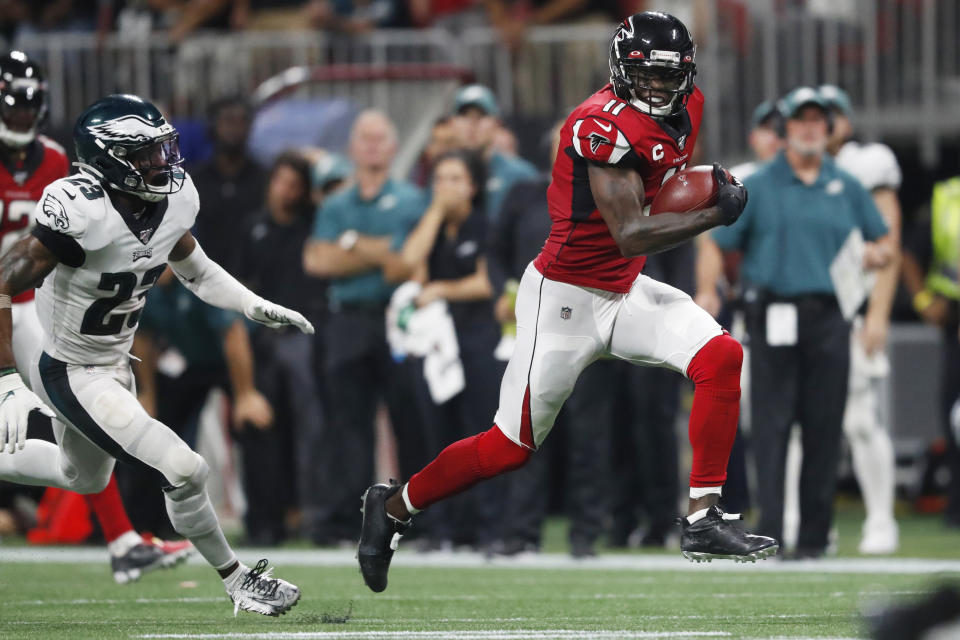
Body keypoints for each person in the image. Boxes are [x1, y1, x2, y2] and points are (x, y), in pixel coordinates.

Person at [356, 11, 777, 594]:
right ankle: (395, 507)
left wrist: (700, 187)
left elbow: (656, 189)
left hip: (623, 288)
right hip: (565, 300)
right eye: (646, 75)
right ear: (621, 70)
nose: (659, 87)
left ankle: (703, 517)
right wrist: (712, 212)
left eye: (669, 75)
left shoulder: (689, 107)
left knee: (721, 356)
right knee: (507, 447)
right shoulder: (596, 125)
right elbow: (631, 229)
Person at [0, 93, 310, 615]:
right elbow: (3, 281)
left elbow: (198, 270)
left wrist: (252, 305)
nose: (161, 164)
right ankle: (238, 580)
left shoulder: (175, 199)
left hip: (115, 363)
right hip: (72, 368)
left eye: (163, 150)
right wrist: (8, 379)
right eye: (144, 155)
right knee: (185, 468)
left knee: (85, 478)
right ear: (106, 158)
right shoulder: (80, 209)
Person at [0, 50, 193, 584]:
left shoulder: (58, 160)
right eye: (13, 103)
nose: (22, 114)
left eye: (31, 103)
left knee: (78, 409)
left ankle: (123, 539)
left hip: (34, 304)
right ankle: (124, 540)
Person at [701, 87, 896, 558]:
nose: (809, 128)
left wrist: (876, 254)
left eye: (817, 121)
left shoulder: (846, 184)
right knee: (770, 428)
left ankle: (814, 537)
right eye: (800, 121)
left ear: (827, 129)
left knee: (825, 429)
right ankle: (772, 531)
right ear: (785, 129)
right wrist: (708, 289)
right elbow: (715, 240)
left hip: (829, 317)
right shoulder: (760, 184)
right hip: (772, 316)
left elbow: (885, 243)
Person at [302, 110, 424, 545]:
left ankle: (413, 516)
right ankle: (347, 519)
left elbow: (407, 264)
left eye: (380, 139)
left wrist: (350, 245)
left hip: (399, 318)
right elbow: (318, 260)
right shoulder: (336, 204)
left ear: (393, 147)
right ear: (352, 149)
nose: (372, 146)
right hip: (348, 320)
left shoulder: (412, 198)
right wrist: (381, 251)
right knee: (347, 423)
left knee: (411, 419)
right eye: (364, 139)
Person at [816, 83, 901, 554]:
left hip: (852, 309)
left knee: (861, 420)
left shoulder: (867, 163)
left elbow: (888, 244)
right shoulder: (795, 168)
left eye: (829, 114)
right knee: (803, 426)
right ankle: (808, 524)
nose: (821, 125)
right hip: (811, 310)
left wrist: (879, 315)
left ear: (845, 121)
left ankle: (882, 521)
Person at [236, 151, 326, 545]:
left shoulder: (313, 227)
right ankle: (263, 518)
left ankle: (309, 513)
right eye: (281, 181)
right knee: (261, 430)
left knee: (309, 431)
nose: (286, 191)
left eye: (295, 185)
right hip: (261, 340)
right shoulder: (251, 227)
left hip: (303, 338)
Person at [901, 176, 960, 529]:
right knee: (953, 417)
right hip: (954, 319)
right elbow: (911, 253)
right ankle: (957, 502)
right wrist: (923, 300)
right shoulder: (946, 196)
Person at [190, 96, 266, 275]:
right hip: (205, 281)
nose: (234, 129)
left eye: (241, 121)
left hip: (255, 283)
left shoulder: (264, 178)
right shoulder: (194, 180)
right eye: (228, 121)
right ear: (212, 127)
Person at [449, 84, 538, 221]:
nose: (472, 124)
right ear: (453, 123)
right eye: (464, 116)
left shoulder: (521, 175)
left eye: (480, 116)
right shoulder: (442, 176)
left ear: (496, 123)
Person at [729, 100, 783, 181]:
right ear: (752, 138)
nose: (774, 138)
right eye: (767, 129)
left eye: (781, 130)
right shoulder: (737, 179)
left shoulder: (806, 180)